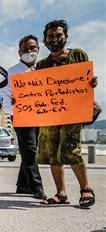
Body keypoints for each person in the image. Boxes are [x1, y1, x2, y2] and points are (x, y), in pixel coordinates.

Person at [35, 19, 97, 207]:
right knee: (52, 153)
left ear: (66, 36)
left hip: (73, 114)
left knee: (71, 149)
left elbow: (86, 81)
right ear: (45, 40)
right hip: (50, 116)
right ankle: (61, 193)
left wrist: (91, 83)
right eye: (51, 36)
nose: (55, 38)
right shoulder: (41, 65)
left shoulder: (78, 55)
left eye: (58, 35)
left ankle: (86, 188)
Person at [0, 35, 46, 200]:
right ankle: (36, 187)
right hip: (21, 116)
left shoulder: (44, 69)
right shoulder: (11, 72)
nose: (29, 51)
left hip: (41, 116)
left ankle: (22, 185)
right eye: (25, 49)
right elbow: (5, 98)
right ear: (19, 52)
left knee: (29, 151)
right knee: (30, 150)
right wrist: (17, 108)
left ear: (38, 49)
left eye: (32, 47)